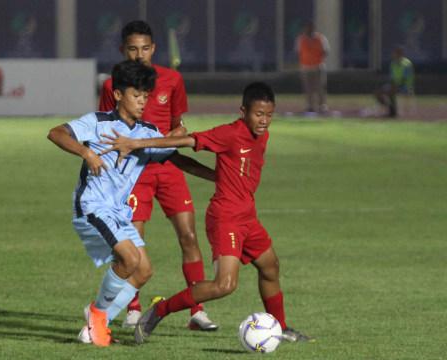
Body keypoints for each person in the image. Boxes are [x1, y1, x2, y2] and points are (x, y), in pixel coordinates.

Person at [99, 82, 315, 345]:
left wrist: (216, 174)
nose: (264, 121)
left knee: (271, 267)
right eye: (258, 114)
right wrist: (135, 143)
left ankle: (280, 327)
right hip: (226, 218)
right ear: (243, 111)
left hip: (248, 216)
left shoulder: (261, 135)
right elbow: (187, 141)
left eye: (269, 115)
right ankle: (159, 310)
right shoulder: (229, 133)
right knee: (225, 285)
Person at [47, 59, 214, 346]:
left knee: (144, 270)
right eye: (137, 95)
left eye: (146, 96)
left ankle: (94, 325)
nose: (142, 101)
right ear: (118, 94)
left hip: (117, 211)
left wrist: (218, 176)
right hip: (93, 206)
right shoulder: (97, 122)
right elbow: (56, 133)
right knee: (131, 259)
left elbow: (179, 160)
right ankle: (98, 317)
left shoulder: (147, 133)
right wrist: (87, 154)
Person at [98, 20, 218, 331]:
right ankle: (133, 309)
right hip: (133, 175)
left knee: (189, 236)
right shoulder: (112, 85)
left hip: (169, 168)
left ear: (153, 48)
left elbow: (179, 125)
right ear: (123, 50)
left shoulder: (172, 80)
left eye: (145, 48)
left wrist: (176, 133)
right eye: (132, 49)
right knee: (132, 245)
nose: (139, 55)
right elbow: (106, 130)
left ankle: (197, 311)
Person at [295, 20, 330, 114]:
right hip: (306, 67)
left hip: (318, 66)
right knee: (308, 88)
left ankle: (322, 106)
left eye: (310, 27)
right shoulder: (301, 39)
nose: (308, 29)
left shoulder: (320, 38)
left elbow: (326, 51)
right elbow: (298, 52)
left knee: (320, 87)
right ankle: (310, 106)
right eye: (307, 27)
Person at [374, 45, 414, 117]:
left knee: (391, 92)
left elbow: (404, 79)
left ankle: (392, 112)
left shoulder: (406, 64)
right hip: (394, 85)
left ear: (400, 54)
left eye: (396, 53)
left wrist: (395, 86)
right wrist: (391, 85)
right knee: (378, 93)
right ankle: (389, 107)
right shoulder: (393, 63)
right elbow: (391, 77)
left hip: (405, 87)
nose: (394, 55)